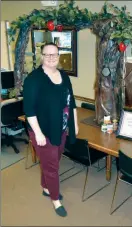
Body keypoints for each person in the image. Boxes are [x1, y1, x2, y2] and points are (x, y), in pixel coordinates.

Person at [23, 42, 78, 217]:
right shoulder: (33, 79)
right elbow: (29, 110)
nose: (51, 57)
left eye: (54, 54)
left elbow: (72, 102)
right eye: (47, 54)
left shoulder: (63, 75)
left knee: (53, 161)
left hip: (60, 128)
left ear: (59, 56)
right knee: (52, 167)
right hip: (43, 131)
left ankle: (46, 187)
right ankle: (55, 199)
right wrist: (38, 133)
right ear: (42, 56)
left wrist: (74, 123)